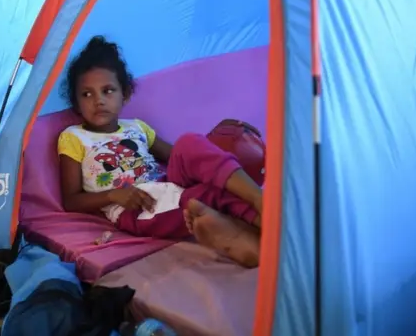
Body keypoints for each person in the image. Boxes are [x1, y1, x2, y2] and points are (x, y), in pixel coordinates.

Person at [57, 36, 263, 268]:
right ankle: (247, 235)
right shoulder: (73, 137)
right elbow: (71, 200)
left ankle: (259, 201)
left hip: (166, 183)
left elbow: (182, 157)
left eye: (107, 91)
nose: (98, 101)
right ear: (75, 101)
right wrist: (112, 195)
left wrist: (213, 141)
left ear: (124, 94)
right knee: (199, 197)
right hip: (139, 207)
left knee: (188, 141)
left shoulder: (137, 126)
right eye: (87, 94)